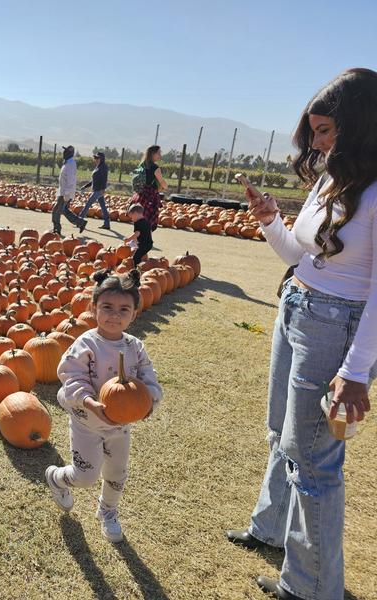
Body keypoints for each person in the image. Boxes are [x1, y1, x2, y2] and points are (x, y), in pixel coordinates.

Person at [225, 68, 377, 600]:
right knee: (280, 433)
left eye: (326, 130)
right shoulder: (330, 179)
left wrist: (356, 373)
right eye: (312, 130)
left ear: (360, 125)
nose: (317, 142)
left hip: (337, 325)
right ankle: (270, 530)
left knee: (313, 460)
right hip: (295, 306)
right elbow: (299, 256)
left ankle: (312, 588)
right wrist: (271, 221)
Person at [44, 269, 162, 543]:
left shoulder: (135, 347)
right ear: (94, 308)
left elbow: (149, 379)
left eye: (124, 309)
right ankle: (57, 478)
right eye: (107, 307)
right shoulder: (85, 344)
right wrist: (90, 402)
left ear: (134, 314)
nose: (114, 315)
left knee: (117, 473)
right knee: (85, 476)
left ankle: (108, 510)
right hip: (87, 421)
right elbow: (71, 377)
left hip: (121, 425)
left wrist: (148, 405)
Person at [51, 145, 87, 235]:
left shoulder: (70, 164)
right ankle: (80, 222)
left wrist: (66, 195)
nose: (64, 153)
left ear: (70, 154)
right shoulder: (67, 162)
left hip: (65, 193)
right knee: (63, 210)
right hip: (63, 191)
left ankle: (57, 229)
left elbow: (71, 181)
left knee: (56, 210)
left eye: (66, 151)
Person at [133, 145, 167, 231]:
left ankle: (137, 238)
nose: (160, 155)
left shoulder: (142, 165)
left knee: (140, 218)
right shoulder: (155, 167)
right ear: (153, 154)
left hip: (140, 195)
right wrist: (165, 186)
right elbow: (162, 182)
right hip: (150, 197)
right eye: (158, 153)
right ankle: (145, 240)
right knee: (149, 220)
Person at [79, 151, 111, 229]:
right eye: (95, 158)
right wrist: (85, 186)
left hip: (99, 190)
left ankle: (79, 220)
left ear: (102, 159)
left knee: (88, 204)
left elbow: (104, 179)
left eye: (97, 158)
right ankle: (107, 224)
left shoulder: (103, 167)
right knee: (103, 206)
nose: (95, 159)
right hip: (97, 190)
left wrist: (103, 189)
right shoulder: (98, 167)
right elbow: (93, 181)